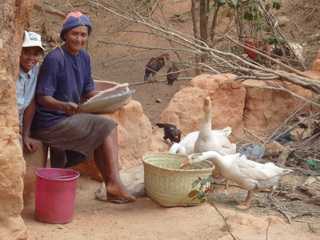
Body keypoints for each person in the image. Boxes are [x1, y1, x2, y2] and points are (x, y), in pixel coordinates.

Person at [31, 11, 135, 203]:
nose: (79, 38)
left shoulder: (85, 58)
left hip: (69, 117)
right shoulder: (55, 59)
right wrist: (63, 105)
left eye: (83, 35)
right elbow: (42, 97)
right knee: (107, 127)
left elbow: (88, 91)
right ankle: (114, 183)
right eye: (74, 34)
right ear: (65, 35)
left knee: (104, 127)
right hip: (50, 122)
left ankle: (112, 184)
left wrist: (111, 96)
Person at [16, 31, 44, 153]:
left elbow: (30, 104)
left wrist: (25, 134)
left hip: (19, 125)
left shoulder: (35, 72)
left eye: (36, 54)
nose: (31, 58)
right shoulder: (9, 72)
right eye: (26, 52)